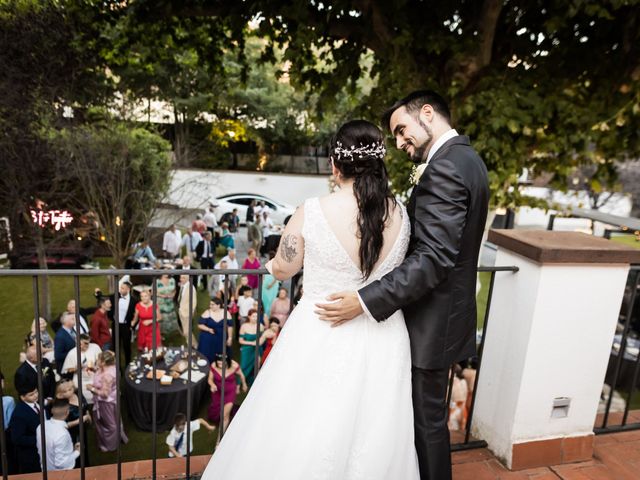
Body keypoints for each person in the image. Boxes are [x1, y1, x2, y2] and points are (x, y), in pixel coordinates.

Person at [201, 120, 419, 479]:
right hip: (383, 332)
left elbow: (285, 268)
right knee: (376, 428)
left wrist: (271, 264)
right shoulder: (401, 215)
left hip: (321, 329)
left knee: (305, 422)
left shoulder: (313, 210)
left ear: (335, 166)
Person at [316, 93, 490, 480]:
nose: (398, 142)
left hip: (432, 322)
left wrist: (364, 299)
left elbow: (433, 258)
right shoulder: (468, 159)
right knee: (425, 421)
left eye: (401, 130)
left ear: (427, 113)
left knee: (425, 425)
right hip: (446, 317)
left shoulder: (445, 168)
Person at [87, 351, 128, 452]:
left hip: (105, 403)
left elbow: (105, 394)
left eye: (99, 360)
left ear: (104, 362)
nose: (97, 361)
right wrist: (94, 370)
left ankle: (110, 445)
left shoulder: (107, 376)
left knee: (110, 425)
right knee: (113, 420)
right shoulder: (110, 367)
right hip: (112, 400)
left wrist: (91, 389)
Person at [96, 281, 138, 366]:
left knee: (127, 346)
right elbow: (105, 298)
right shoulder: (115, 296)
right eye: (120, 287)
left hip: (126, 326)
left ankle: (128, 365)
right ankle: (116, 366)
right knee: (115, 346)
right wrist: (98, 294)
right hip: (116, 324)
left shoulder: (134, 301)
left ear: (128, 289)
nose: (120, 289)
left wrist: (133, 326)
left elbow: (137, 314)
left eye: (122, 288)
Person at [36, 398, 80, 471]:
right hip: (61, 473)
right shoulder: (62, 435)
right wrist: (77, 452)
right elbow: (61, 464)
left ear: (52, 410)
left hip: (45, 469)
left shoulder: (41, 426)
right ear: (67, 412)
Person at [207, 354, 247, 433]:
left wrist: (244, 384)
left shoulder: (234, 366)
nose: (220, 365)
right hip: (217, 391)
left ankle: (219, 441)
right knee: (216, 407)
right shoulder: (214, 365)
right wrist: (212, 385)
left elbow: (241, 375)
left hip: (230, 392)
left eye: (222, 363)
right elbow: (209, 379)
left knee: (225, 416)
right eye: (219, 363)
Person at [10, 386, 43, 473]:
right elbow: (17, 438)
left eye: (36, 392)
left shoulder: (37, 403)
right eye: (31, 395)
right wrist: (40, 439)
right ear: (22, 397)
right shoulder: (19, 414)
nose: (36, 395)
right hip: (30, 457)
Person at [61, 334, 102, 404]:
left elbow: (101, 360)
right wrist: (77, 368)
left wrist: (96, 367)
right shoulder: (72, 353)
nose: (87, 346)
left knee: (98, 398)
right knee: (82, 399)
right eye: (84, 343)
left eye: (88, 343)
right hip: (80, 379)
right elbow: (67, 370)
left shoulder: (95, 347)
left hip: (94, 377)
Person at [197, 298, 233, 363]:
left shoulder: (226, 313)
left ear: (218, 305)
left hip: (221, 337)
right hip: (208, 337)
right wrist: (208, 329)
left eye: (212, 304)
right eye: (210, 304)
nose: (210, 306)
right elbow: (200, 325)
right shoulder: (207, 312)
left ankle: (219, 364)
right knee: (207, 352)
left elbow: (230, 326)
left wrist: (230, 338)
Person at [238, 309, 265, 387]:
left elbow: (262, 339)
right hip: (247, 349)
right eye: (253, 316)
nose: (255, 318)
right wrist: (252, 343)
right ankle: (240, 382)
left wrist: (257, 343)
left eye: (257, 316)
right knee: (244, 366)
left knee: (256, 365)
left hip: (257, 349)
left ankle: (254, 382)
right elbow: (240, 340)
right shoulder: (244, 326)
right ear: (249, 317)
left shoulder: (261, 326)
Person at [177, 274, 199, 347]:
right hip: (181, 310)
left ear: (187, 279)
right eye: (180, 277)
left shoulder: (191, 288)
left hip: (187, 312)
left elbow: (194, 302)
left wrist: (190, 312)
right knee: (185, 329)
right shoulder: (183, 286)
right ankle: (189, 342)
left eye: (183, 278)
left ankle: (195, 345)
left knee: (187, 331)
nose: (181, 279)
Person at [260, 251, 279, 318]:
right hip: (266, 283)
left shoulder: (276, 264)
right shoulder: (267, 263)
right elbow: (264, 274)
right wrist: (262, 281)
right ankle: (265, 315)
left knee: (272, 299)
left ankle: (270, 315)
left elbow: (277, 276)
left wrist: (271, 284)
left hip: (273, 283)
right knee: (264, 299)